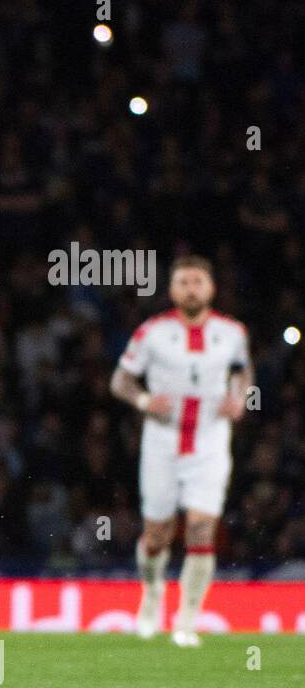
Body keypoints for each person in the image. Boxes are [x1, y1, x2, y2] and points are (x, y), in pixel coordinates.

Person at [110, 256, 252, 646]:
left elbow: (243, 372)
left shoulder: (232, 332)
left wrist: (240, 398)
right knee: (157, 534)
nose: (191, 288)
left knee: (201, 528)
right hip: (162, 441)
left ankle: (187, 621)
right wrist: (142, 401)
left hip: (209, 441)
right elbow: (120, 380)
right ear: (172, 290)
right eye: (184, 282)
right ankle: (151, 597)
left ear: (211, 288)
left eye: (198, 281)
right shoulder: (152, 332)